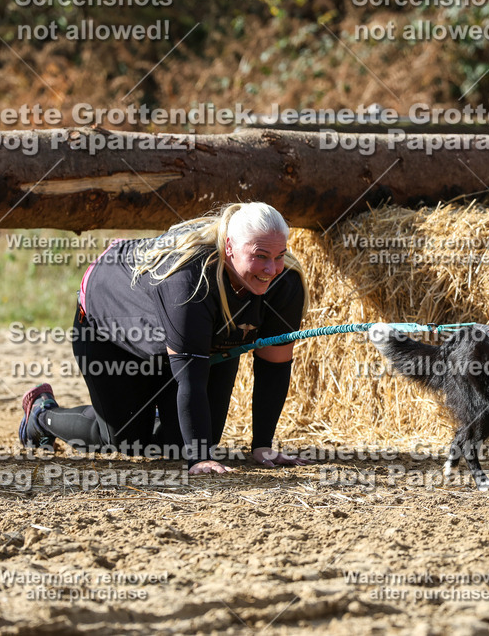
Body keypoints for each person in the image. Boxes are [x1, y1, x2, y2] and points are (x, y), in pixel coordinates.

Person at [18, 202, 312, 475]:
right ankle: (42, 415)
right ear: (229, 247)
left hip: (194, 339)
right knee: (128, 440)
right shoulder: (191, 281)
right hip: (112, 325)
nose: (271, 269)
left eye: (279, 256)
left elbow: (273, 366)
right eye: (260, 256)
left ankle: (161, 412)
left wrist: (262, 446)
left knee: (188, 440)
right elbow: (190, 379)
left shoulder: (284, 281)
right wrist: (200, 459)